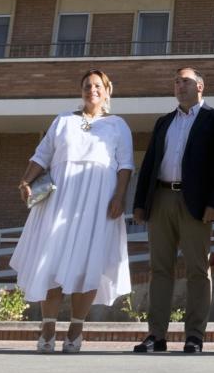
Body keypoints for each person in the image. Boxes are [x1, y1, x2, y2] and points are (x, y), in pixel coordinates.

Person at [12, 69, 134, 354]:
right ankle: (48, 327)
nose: (92, 90)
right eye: (87, 86)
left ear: (107, 91)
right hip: (61, 200)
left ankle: (76, 328)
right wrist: (26, 181)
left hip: (98, 203)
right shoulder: (63, 120)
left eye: (97, 86)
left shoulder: (118, 125)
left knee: (88, 263)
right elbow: (41, 155)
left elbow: (125, 165)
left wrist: (119, 195)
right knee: (51, 261)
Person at [130, 67, 214, 354]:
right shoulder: (164, 122)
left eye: (185, 81)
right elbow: (150, 163)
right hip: (161, 198)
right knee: (159, 269)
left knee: (198, 270)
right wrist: (140, 203)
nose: (179, 85)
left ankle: (195, 336)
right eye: (176, 81)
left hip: (197, 203)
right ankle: (156, 335)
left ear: (200, 86)